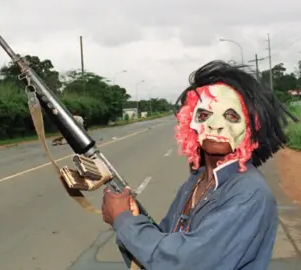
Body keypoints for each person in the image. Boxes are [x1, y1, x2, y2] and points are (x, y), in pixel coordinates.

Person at [101, 60, 289, 270]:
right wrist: (132, 218)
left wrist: (124, 221)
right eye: (204, 114)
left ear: (250, 126)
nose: (216, 125)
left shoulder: (250, 194)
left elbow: (186, 262)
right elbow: (165, 241)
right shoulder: (196, 180)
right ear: (189, 123)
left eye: (231, 115)